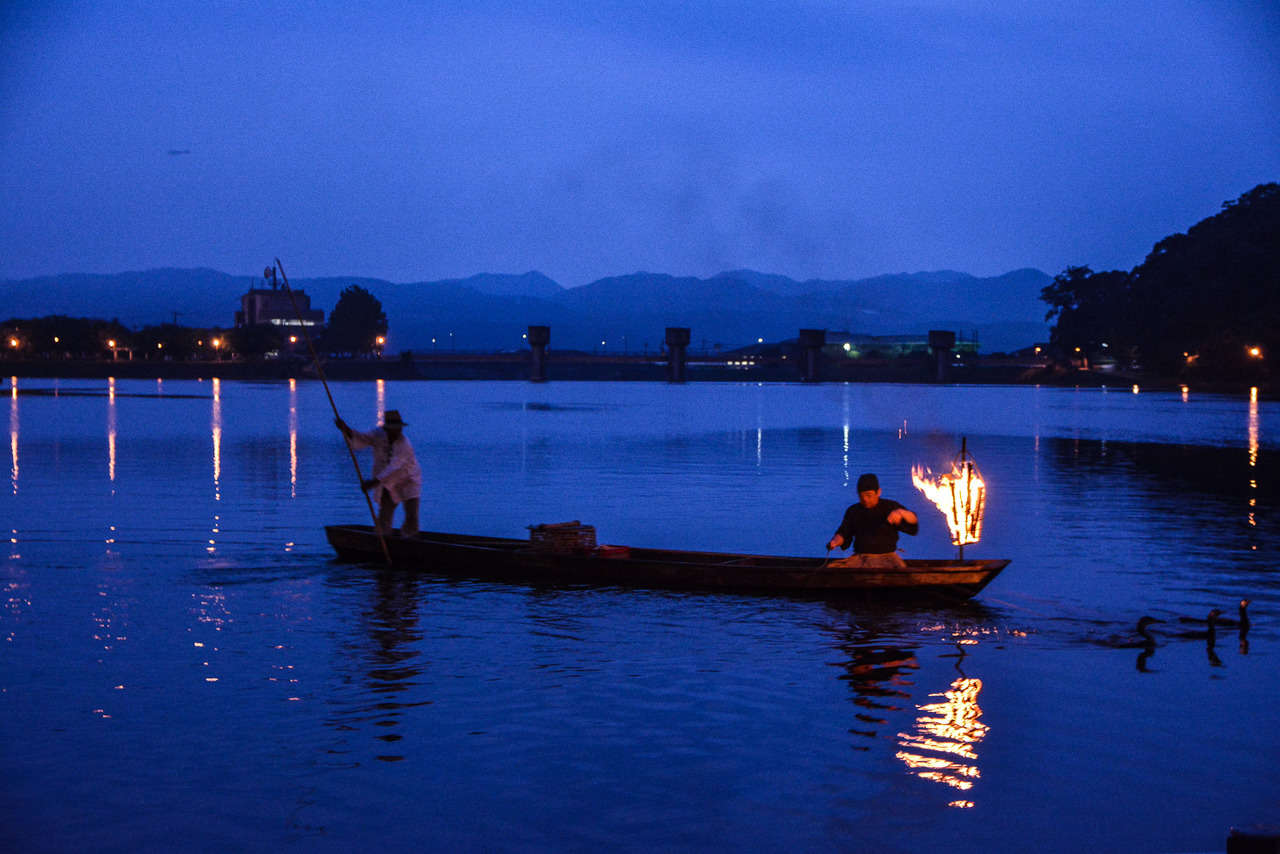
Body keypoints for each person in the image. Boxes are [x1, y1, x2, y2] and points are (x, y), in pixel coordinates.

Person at [335, 409, 422, 537]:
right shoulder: (378, 435)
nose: (397, 431)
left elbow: (394, 466)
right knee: (385, 514)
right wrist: (346, 429)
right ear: (386, 429)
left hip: (409, 479)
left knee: (411, 516)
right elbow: (361, 439)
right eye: (393, 428)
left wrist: (372, 483)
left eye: (399, 428)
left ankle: (410, 540)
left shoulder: (404, 444)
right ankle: (382, 538)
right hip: (388, 482)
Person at [826, 473, 918, 568]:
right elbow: (843, 534)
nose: (865, 499)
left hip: (887, 558)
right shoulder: (853, 511)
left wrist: (902, 513)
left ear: (878, 492)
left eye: (868, 495)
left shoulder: (890, 507)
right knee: (833, 568)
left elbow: (913, 521)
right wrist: (834, 542)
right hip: (861, 558)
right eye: (861, 496)